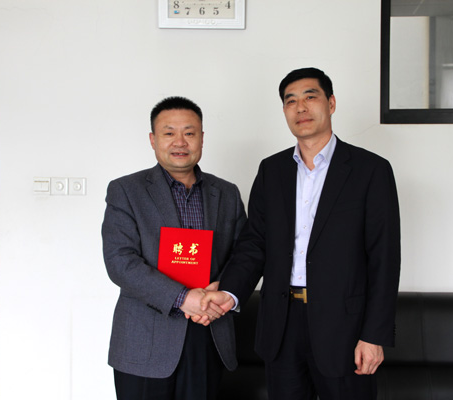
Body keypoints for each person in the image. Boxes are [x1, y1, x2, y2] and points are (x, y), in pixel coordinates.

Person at [200, 67, 401, 400]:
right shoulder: (272, 170)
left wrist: (374, 335)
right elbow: (255, 243)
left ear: (331, 103)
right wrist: (230, 292)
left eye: (310, 97)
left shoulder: (370, 170)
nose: (301, 107)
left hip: (344, 327)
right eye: (290, 101)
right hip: (281, 324)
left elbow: (384, 258)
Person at [101, 96, 246, 400]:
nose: (180, 142)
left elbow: (242, 254)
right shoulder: (126, 190)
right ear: (153, 140)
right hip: (146, 339)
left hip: (208, 332)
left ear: (202, 138)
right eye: (169, 133)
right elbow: (120, 261)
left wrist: (223, 291)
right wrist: (182, 298)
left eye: (189, 133)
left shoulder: (227, 193)